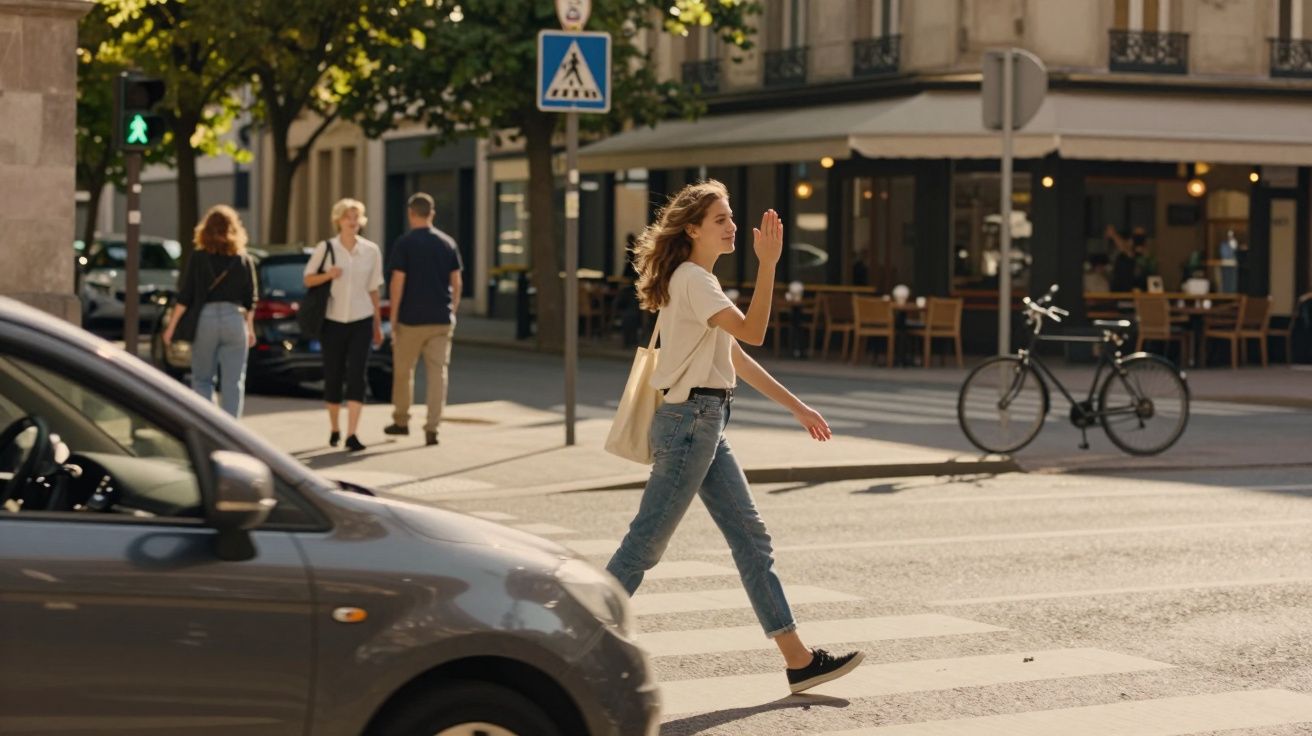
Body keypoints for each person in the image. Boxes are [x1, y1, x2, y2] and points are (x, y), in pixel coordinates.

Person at [606, 179, 864, 694]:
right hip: (691, 424)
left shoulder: (696, 281)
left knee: (750, 537)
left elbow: (736, 357)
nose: (731, 227)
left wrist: (798, 407)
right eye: (720, 219)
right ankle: (574, 637)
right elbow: (755, 332)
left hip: (706, 422)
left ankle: (798, 660)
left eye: (730, 216)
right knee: (646, 544)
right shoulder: (695, 280)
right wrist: (769, 264)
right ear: (694, 229)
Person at [163, 205, 258, 418]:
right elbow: (251, 299)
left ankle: (208, 424)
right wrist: (250, 329)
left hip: (206, 320)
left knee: (203, 379)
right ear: (234, 229)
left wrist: (171, 327)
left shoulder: (198, 257)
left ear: (205, 229)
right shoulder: (243, 259)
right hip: (235, 320)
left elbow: (185, 295)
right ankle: (231, 431)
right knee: (233, 382)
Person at [304, 198, 384, 451]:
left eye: (357, 217)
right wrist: (329, 274)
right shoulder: (326, 248)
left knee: (357, 375)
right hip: (332, 320)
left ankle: (352, 434)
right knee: (333, 374)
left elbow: (373, 289)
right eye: (348, 217)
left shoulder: (371, 250)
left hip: (361, 319)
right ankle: (335, 428)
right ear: (338, 220)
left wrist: (377, 324)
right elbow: (307, 279)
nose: (353, 222)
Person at [383, 193, 463, 447]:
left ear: (410, 213)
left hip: (411, 319)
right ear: (432, 213)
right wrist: (453, 310)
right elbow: (457, 282)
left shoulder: (404, 244)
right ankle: (432, 427)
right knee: (438, 374)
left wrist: (393, 319)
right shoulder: (447, 243)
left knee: (404, 372)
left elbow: (398, 283)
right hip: (441, 319)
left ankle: (402, 420)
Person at [1105, 224, 1158, 291]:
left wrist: (1114, 235)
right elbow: (1124, 248)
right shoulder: (1123, 256)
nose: (1138, 240)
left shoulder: (1149, 258)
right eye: (1136, 237)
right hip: (1122, 295)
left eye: (1141, 237)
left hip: (1142, 295)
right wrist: (1114, 235)